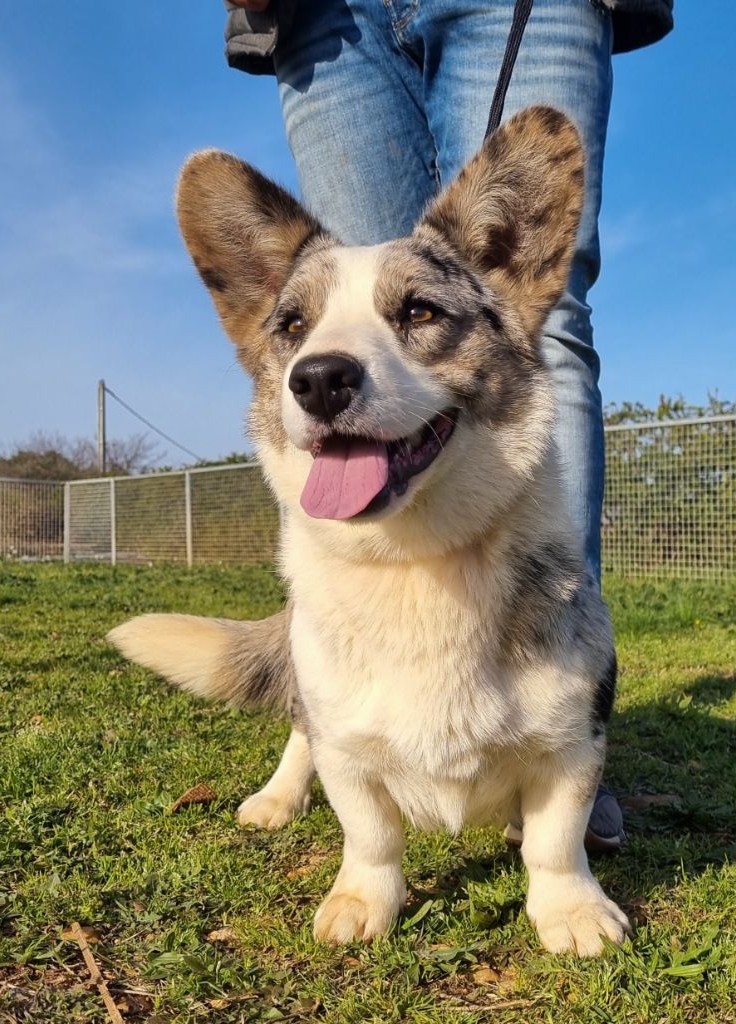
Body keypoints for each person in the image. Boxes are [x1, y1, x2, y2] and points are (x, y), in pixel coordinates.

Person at [221, 0, 673, 852]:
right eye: (290, 334)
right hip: (323, 9)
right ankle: (324, 727)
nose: (317, 371)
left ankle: (559, 721)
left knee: (552, 316)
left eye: (418, 315)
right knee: (349, 270)